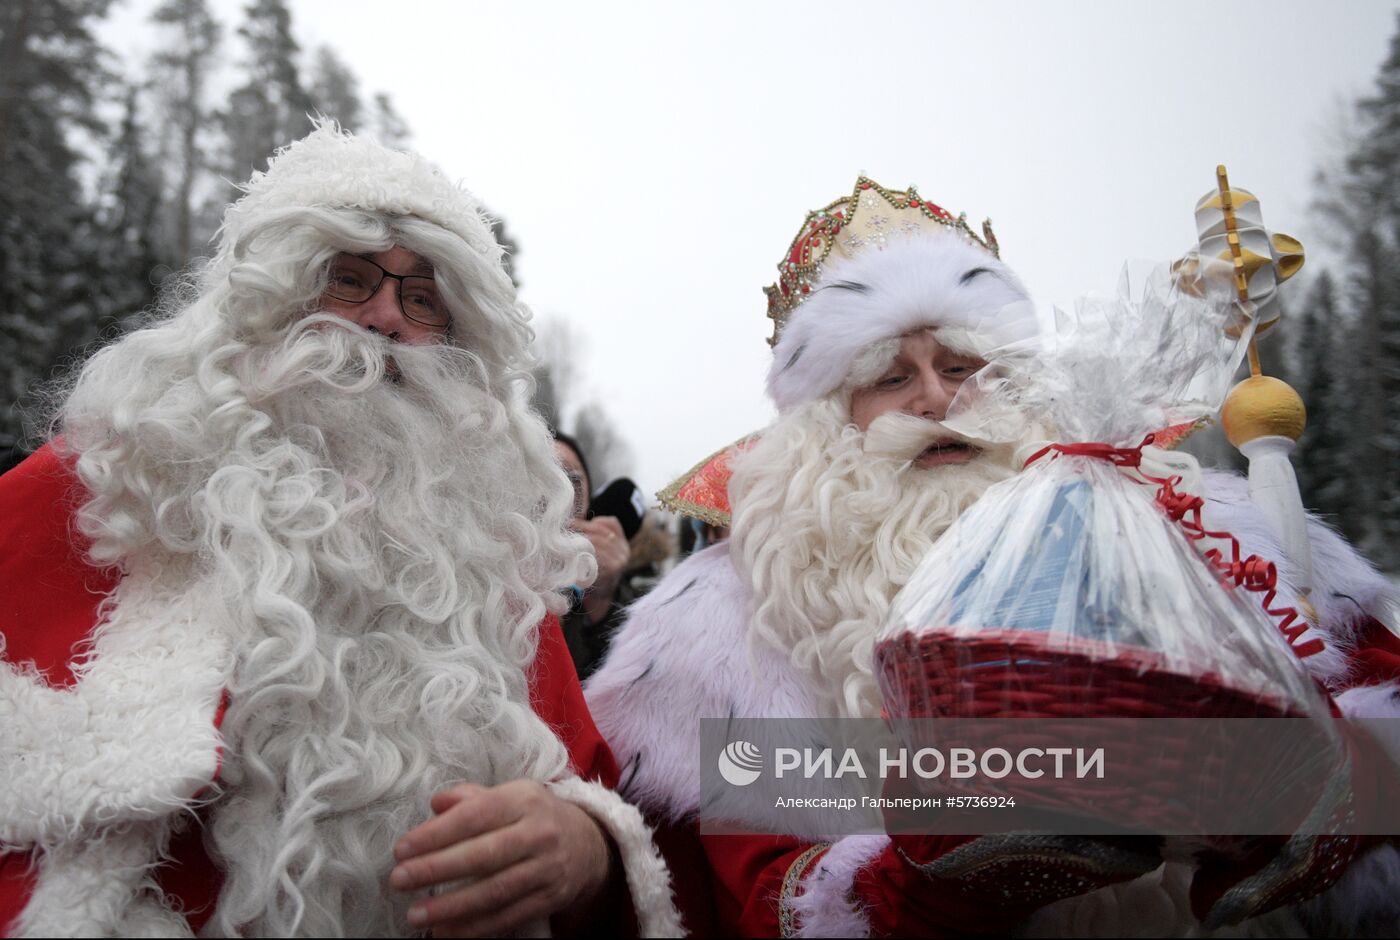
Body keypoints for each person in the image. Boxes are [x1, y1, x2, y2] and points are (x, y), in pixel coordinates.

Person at [585, 177, 1400, 936]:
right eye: (890, 376)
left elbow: (1379, 716)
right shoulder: (724, 621)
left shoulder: (1188, 521)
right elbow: (762, 891)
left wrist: (1307, 794)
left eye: (961, 367)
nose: (936, 400)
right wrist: (935, 876)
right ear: (829, 419)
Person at [0, 124, 680, 937]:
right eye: (348, 279)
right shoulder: (102, 489)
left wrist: (588, 848)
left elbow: (583, 786)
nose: (386, 318)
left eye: (424, 300)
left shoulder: (481, 556)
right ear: (262, 301)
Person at [552, 431, 632, 679]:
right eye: (542, 478)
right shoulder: (485, 573)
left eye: (571, 480)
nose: (557, 500)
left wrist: (603, 596)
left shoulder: (607, 576)